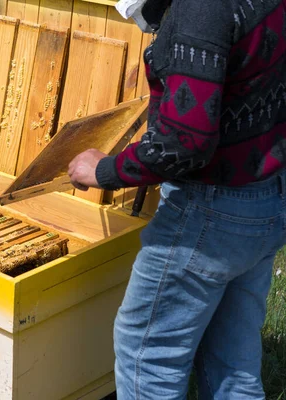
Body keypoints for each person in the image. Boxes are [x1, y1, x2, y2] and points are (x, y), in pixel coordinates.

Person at [68, 0, 286, 398]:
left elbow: (184, 142)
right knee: (232, 362)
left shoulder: (202, 9)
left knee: (148, 355)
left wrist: (107, 170)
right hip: (267, 198)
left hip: (209, 214)